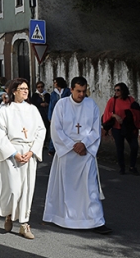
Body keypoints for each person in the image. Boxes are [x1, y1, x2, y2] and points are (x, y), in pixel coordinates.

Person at [43, 76, 111, 234]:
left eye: (84, 91)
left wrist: (84, 144)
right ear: (71, 90)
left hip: (85, 153)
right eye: (78, 91)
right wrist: (71, 145)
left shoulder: (91, 104)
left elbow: (95, 129)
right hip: (67, 153)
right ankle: (66, 218)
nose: (81, 94)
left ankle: (96, 221)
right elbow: (56, 129)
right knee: (67, 188)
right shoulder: (62, 104)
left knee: (90, 188)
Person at [0, 78, 46, 239]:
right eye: (22, 88)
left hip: (29, 152)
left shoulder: (33, 110)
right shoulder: (5, 111)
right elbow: (1, 135)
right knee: (14, 189)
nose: (25, 91)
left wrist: (32, 151)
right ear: (14, 91)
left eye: (27, 88)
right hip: (12, 153)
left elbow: (41, 131)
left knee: (27, 189)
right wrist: (14, 153)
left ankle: (24, 223)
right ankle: (9, 214)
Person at [102, 82, 140, 175]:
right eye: (115, 90)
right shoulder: (112, 101)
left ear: (123, 90)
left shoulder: (130, 100)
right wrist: (114, 115)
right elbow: (107, 113)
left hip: (128, 127)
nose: (116, 92)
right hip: (117, 128)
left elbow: (136, 112)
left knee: (134, 146)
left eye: (118, 90)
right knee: (120, 148)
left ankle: (132, 166)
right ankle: (122, 167)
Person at [47, 77, 70, 155]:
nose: (54, 84)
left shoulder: (67, 91)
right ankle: (52, 149)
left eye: (55, 82)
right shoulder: (53, 93)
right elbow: (51, 105)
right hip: (56, 114)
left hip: (66, 113)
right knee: (55, 130)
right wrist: (50, 116)